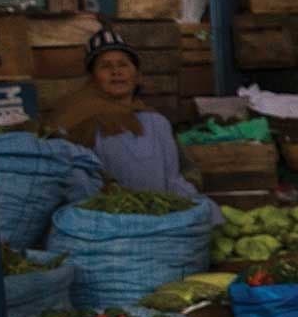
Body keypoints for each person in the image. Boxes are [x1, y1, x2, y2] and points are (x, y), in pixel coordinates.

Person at [52, 28, 203, 200]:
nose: (116, 72)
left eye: (123, 64)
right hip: (107, 215)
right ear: (93, 79)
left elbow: (184, 171)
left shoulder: (156, 122)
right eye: (105, 66)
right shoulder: (77, 119)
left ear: (137, 75)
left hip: (162, 214)